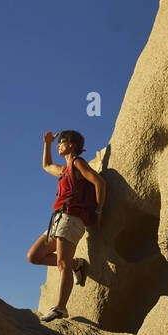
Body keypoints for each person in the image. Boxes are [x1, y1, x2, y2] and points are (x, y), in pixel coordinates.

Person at [27, 130, 106, 321]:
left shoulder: (78, 163)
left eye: (61, 142)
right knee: (34, 256)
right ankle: (75, 264)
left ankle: (61, 308)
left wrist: (98, 210)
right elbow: (46, 165)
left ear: (71, 145)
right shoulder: (64, 170)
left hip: (71, 218)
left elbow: (99, 182)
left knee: (62, 263)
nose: (58, 145)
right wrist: (46, 143)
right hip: (57, 219)